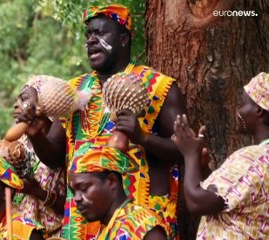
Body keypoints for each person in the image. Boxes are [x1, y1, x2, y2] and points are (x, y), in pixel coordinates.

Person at [15, 4, 186, 239]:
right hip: (82, 219)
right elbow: (55, 158)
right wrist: (35, 135)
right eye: (88, 35)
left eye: (101, 33)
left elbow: (187, 151)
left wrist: (142, 138)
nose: (92, 41)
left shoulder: (157, 86)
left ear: (124, 39)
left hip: (141, 218)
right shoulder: (74, 90)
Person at [172, 72, 269, 239]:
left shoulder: (253, 160)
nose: (238, 111)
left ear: (258, 110)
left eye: (243, 104)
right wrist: (201, 168)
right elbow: (229, 200)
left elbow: (197, 202)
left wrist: (189, 155)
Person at [68, 143, 167, 239]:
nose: (77, 198)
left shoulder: (143, 225)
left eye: (83, 188)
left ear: (112, 181)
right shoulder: (104, 231)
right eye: (73, 192)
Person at [10, 77, 66, 238]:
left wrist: (39, 192)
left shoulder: (67, 144)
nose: (16, 105)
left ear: (45, 102)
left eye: (24, 98)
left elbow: (76, 206)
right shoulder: (12, 146)